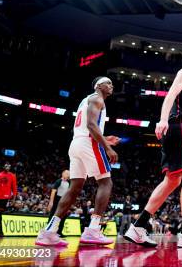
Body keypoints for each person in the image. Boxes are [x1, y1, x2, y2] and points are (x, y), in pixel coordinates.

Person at [125, 49, 182, 248]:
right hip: (178, 127)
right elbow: (170, 95)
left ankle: (138, 226)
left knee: (172, 180)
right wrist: (162, 120)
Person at [36, 77, 119, 247]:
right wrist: (107, 147)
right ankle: (93, 230)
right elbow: (90, 125)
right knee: (106, 182)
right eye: (108, 83)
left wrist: (105, 138)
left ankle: (49, 232)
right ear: (98, 86)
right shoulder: (97, 98)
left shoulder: (86, 100)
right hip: (89, 143)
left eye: (111, 83)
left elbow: (88, 126)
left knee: (74, 188)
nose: (111, 85)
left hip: (76, 144)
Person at [47, 170, 70, 237]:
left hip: (64, 200)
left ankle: (59, 232)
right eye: (67, 173)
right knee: (53, 214)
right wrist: (51, 202)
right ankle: (48, 230)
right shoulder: (58, 181)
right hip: (57, 199)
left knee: (64, 216)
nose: (68, 175)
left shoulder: (69, 182)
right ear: (63, 174)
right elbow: (53, 191)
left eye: (69, 174)